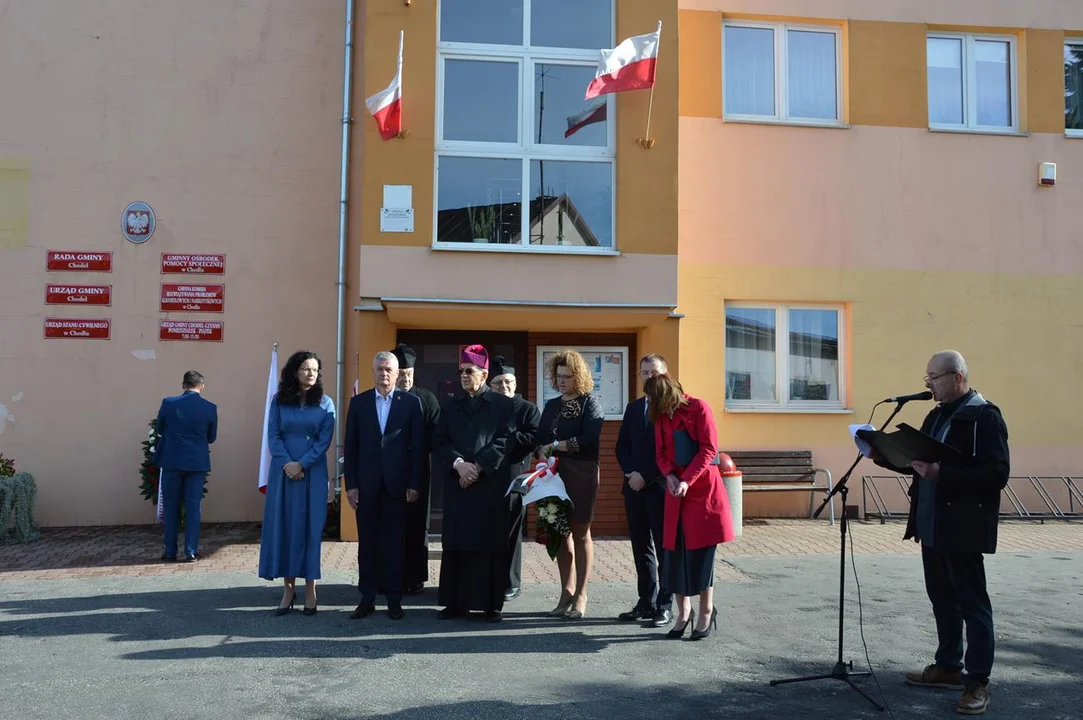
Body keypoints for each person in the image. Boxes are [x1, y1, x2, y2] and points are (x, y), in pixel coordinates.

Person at [877, 350, 1008, 716]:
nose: (929, 385)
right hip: (931, 523)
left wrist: (942, 473)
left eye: (934, 378)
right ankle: (949, 666)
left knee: (972, 604)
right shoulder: (936, 414)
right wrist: (884, 454)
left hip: (963, 526)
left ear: (958, 377)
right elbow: (920, 463)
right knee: (942, 599)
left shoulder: (985, 417)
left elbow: (997, 475)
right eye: (927, 379)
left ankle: (977, 682)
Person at [646, 373, 734, 641]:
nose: (651, 404)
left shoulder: (699, 408)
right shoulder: (661, 416)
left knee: (701, 556)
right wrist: (671, 475)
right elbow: (660, 453)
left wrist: (686, 480)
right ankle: (684, 613)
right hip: (676, 492)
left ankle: (706, 610)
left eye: (654, 399)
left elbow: (709, 450)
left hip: (702, 491)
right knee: (674, 555)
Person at [432, 344, 515, 622]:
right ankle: (456, 603)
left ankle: (490, 605)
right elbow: (440, 442)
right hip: (459, 485)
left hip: (488, 485)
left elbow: (505, 440)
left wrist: (478, 466)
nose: (464, 376)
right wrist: (459, 465)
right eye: (461, 371)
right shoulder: (450, 406)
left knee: (489, 544)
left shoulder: (502, 405)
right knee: (457, 544)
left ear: (484, 374)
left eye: (470, 371)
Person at [343, 351, 423, 621]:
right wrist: (350, 485)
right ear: (373, 371)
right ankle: (367, 598)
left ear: (398, 373)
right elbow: (350, 448)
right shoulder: (359, 403)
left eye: (388, 369)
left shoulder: (410, 404)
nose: (384, 374)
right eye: (379, 369)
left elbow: (417, 450)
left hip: (397, 486)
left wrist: (414, 483)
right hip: (366, 487)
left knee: (393, 545)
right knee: (367, 544)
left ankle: (394, 599)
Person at [258, 350, 336, 616]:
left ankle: (311, 589)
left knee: (311, 528)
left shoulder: (326, 403)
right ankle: (288, 589)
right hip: (283, 472)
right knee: (286, 526)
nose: (311, 373)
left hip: (312, 472)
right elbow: (274, 436)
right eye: (306, 368)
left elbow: (323, 441)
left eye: (315, 369)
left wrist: (301, 464)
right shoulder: (279, 402)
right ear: (295, 371)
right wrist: (288, 464)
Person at [533, 349, 605, 620]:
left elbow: (589, 438)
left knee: (580, 532)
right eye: (558, 376)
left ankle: (581, 595)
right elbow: (539, 437)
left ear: (579, 377)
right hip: (553, 473)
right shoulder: (551, 405)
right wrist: (541, 454)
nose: (562, 381)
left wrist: (556, 445)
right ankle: (566, 591)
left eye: (567, 376)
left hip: (582, 473)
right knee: (559, 532)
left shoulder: (590, 403)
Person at [615, 354, 672, 627]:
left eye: (654, 372)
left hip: (660, 488)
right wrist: (631, 474)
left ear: (665, 375)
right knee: (641, 548)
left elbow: (670, 452)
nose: (649, 377)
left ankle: (665, 604)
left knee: (663, 548)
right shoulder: (634, 408)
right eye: (645, 373)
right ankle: (646, 602)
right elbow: (622, 447)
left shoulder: (671, 408)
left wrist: (646, 476)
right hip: (633, 488)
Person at [488, 355, 541, 602]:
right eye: (498, 383)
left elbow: (533, 438)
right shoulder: (485, 407)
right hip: (486, 479)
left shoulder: (528, 409)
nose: (504, 387)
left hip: (514, 478)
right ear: (490, 386)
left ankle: (511, 582)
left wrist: (505, 441)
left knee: (511, 534)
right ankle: (488, 581)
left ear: (516, 383)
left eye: (508, 382)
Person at [392, 343, 441, 595]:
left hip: (419, 468)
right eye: (400, 375)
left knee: (417, 524)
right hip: (391, 470)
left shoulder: (427, 399)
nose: (404, 379)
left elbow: (436, 433)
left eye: (408, 375)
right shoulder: (386, 398)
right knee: (393, 523)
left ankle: (416, 577)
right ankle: (392, 575)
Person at [153, 370, 217, 563]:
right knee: (193, 507)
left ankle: (170, 551)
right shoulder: (209, 407)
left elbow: (159, 429)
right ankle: (190, 551)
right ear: (202, 386)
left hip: (172, 461)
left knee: (171, 507)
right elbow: (212, 437)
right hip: (196, 462)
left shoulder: (168, 403)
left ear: (183, 385)